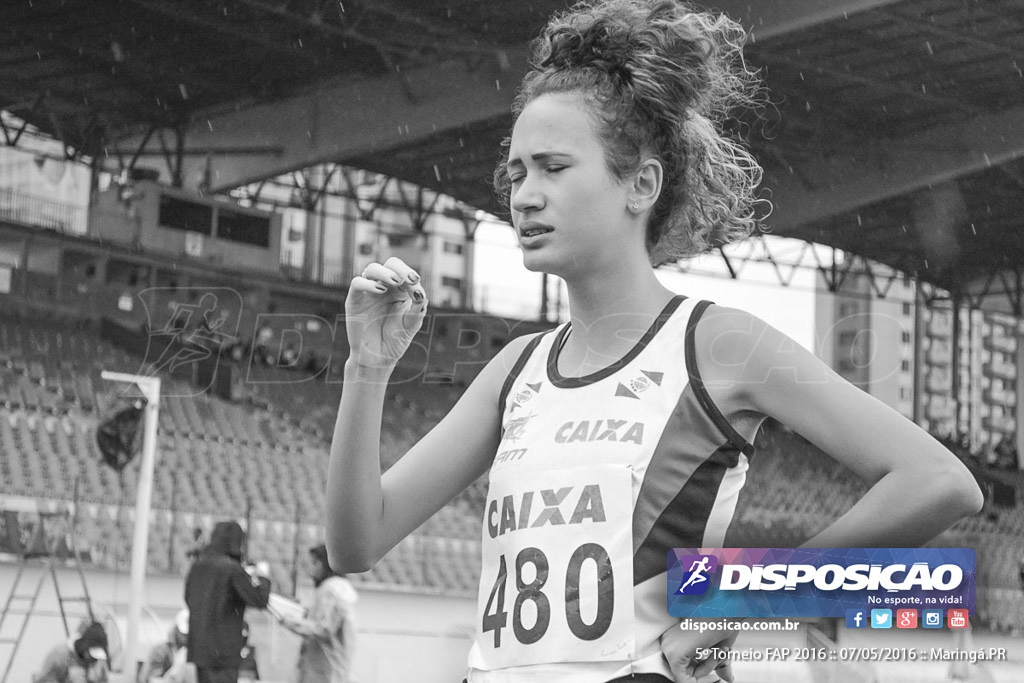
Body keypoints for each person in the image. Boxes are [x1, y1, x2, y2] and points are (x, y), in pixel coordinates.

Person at [325, 1, 984, 681]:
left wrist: (738, 604)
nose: (523, 195)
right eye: (516, 172)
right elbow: (356, 541)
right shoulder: (514, 370)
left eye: (553, 167)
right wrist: (367, 368)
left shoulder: (717, 343)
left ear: (641, 183)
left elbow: (938, 481)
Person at [184, 520, 271, 683]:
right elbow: (259, 599)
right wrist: (263, 577)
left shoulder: (197, 565)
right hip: (223, 655)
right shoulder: (232, 569)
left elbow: (188, 598)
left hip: (200, 650)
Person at [276, 544, 359, 683]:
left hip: (326, 671)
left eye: (315, 563)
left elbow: (323, 628)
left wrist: (290, 620)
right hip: (323, 669)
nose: (311, 568)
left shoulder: (332, 589)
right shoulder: (332, 589)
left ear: (327, 564)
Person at [35, 620, 109, 683]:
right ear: (84, 647)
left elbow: (105, 680)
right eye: (91, 655)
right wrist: (67, 677)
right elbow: (42, 680)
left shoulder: (98, 664)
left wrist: (92, 680)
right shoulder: (60, 655)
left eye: (95, 657)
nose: (93, 660)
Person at [137, 609, 190, 683]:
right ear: (176, 630)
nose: (185, 637)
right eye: (183, 634)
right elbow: (151, 678)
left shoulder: (196, 655)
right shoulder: (161, 652)